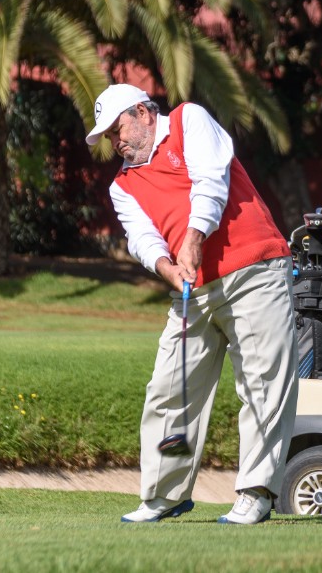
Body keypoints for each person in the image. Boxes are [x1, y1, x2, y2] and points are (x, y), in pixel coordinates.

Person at [86, 83, 298, 524]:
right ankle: (164, 495)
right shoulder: (122, 186)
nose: (114, 140)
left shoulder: (188, 120)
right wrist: (168, 266)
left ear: (143, 112)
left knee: (262, 384)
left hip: (254, 270)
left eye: (117, 128)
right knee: (168, 389)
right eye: (108, 135)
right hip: (192, 290)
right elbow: (142, 238)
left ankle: (256, 492)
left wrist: (194, 239)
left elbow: (211, 180)